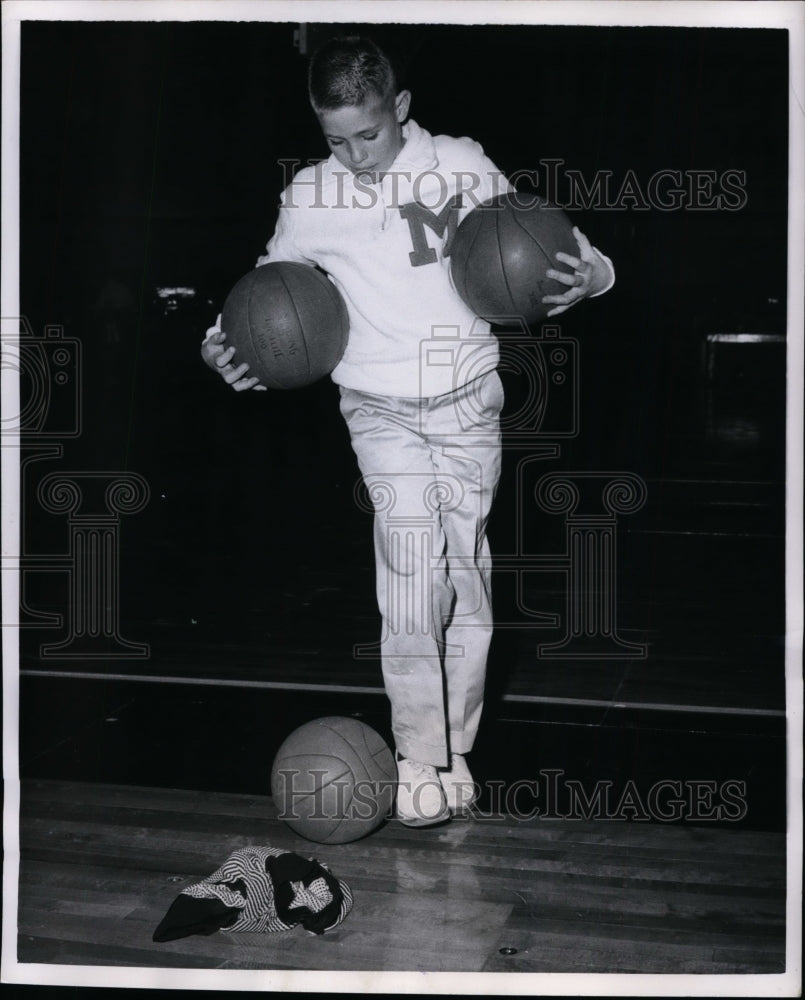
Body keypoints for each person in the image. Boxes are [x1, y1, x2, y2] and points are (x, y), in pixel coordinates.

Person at [202, 36, 614, 827]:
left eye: (369, 135)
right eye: (334, 140)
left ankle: (453, 753)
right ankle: (419, 756)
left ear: (400, 110)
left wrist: (594, 274)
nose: (353, 156)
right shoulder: (310, 197)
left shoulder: (459, 162)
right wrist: (223, 345)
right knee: (407, 574)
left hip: (466, 400)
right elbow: (264, 298)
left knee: (465, 578)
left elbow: (541, 240)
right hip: (377, 407)